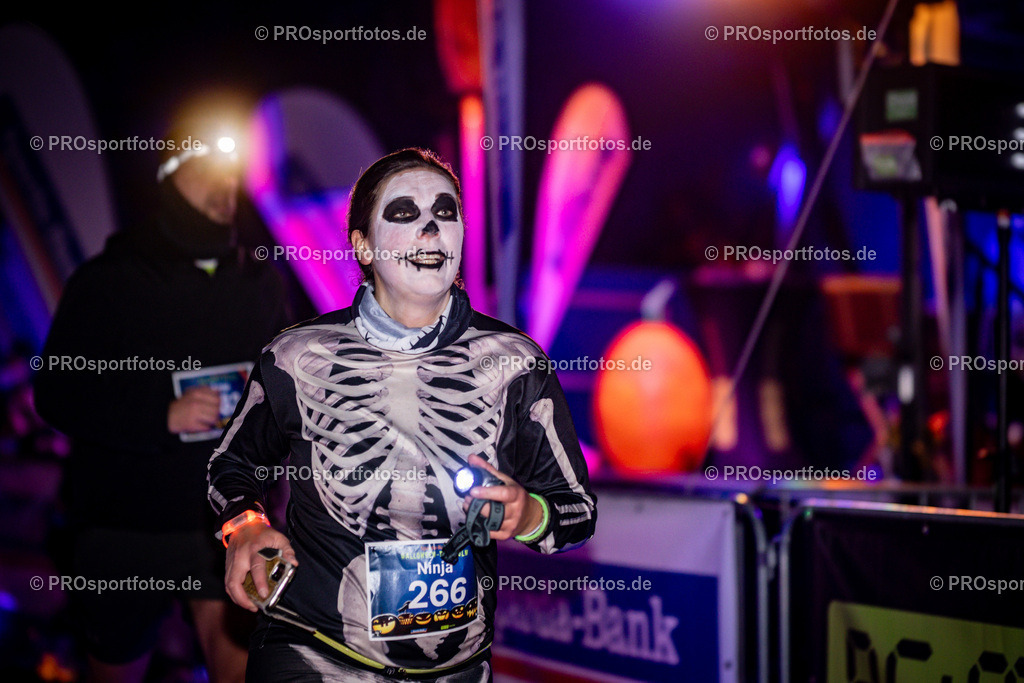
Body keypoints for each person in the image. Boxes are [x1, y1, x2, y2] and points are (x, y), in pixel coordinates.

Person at [208, 148, 597, 681]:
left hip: (458, 668)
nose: (431, 227)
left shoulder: (516, 363)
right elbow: (231, 463)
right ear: (363, 246)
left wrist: (528, 515)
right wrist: (245, 526)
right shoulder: (297, 356)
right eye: (404, 213)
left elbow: (577, 510)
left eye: (445, 211)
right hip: (314, 654)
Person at [33, 117, 290, 683]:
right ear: (171, 177)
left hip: (227, 522)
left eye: (231, 172)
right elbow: (55, 391)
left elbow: (291, 386)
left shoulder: (259, 281)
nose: (223, 186)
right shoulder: (108, 278)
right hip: (126, 531)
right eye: (206, 170)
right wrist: (159, 412)